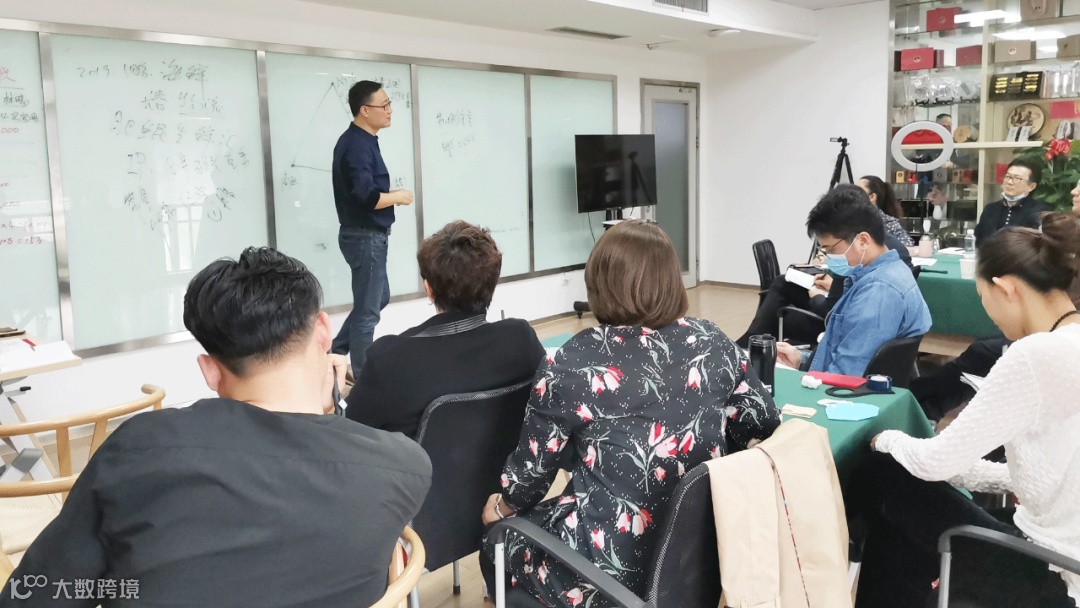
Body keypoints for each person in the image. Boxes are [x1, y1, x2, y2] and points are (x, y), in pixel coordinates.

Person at [1, 248, 432, 607]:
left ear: (209, 370)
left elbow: (33, 595)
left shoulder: (138, 450)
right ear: (322, 330)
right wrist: (330, 416)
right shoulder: (403, 466)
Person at [478, 220, 781, 607]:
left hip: (605, 574)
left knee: (496, 543)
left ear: (599, 285)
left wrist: (500, 508)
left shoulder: (573, 362)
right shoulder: (713, 342)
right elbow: (764, 424)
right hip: (697, 562)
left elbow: (529, 481)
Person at [851, 216, 1080, 608]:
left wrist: (886, 440)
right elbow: (1052, 476)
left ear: (1005, 288)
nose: (987, 313)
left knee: (882, 469)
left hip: (1047, 568)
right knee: (901, 524)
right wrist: (965, 471)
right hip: (1063, 558)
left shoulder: (1034, 355)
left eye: (982, 297)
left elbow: (934, 462)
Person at [346, 221, 546, 439]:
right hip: (509, 461)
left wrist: (330, 396)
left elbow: (346, 432)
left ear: (429, 289)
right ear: (493, 283)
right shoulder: (521, 339)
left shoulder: (388, 359)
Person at [776, 185, 931, 376]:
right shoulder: (889, 273)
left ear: (863, 240)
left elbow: (844, 376)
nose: (828, 257)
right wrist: (802, 361)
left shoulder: (878, 293)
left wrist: (806, 375)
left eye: (831, 249)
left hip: (837, 391)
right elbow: (846, 356)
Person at [331, 80, 414, 377]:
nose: (390, 110)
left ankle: (333, 353)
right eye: (385, 105)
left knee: (378, 299)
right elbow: (366, 196)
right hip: (365, 237)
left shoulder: (364, 141)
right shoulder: (356, 145)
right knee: (367, 314)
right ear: (365, 110)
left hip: (368, 236)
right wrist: (398, 196)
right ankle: (363, 377)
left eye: (390, 104)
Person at [973, 158, 1050, 245]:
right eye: (1008, 176)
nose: (1009, 182)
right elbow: (977, 240)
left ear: (1031, 186)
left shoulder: (1040, 212)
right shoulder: (990, 209)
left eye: (1017, 178)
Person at [857, 175, 913, 247]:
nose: (852, 195)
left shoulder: (887, 222)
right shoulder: (850, 219)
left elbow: (907, 245)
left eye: (858, 192)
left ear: (872, 197)